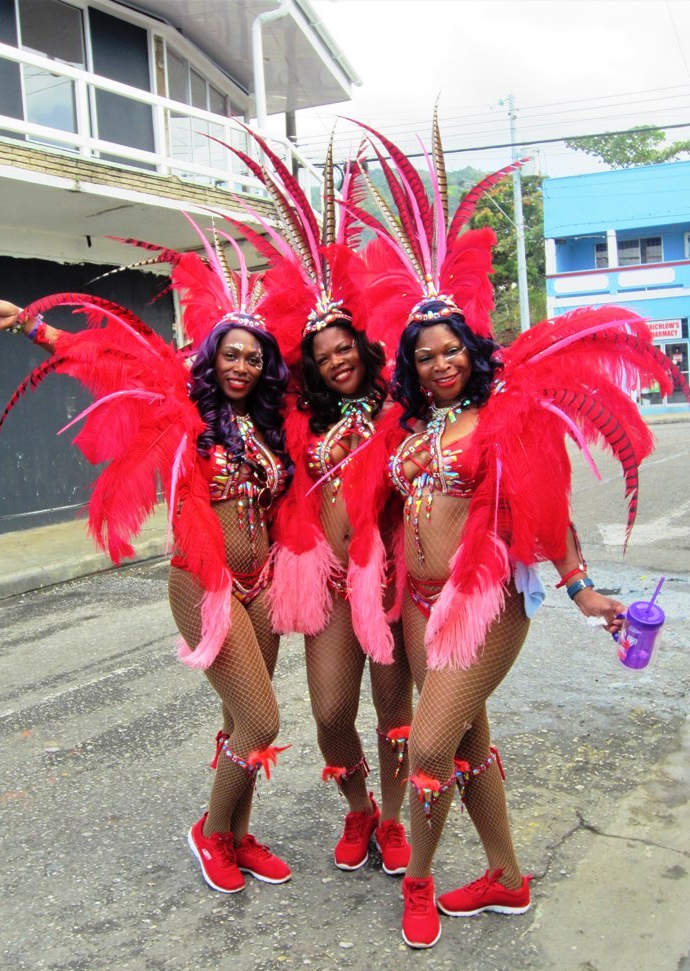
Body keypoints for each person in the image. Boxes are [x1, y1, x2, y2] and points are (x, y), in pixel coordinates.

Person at [348, 114, 690, 948]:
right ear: (411, 364)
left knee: (431, 746)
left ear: (470, 348)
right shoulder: (402, 429)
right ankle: (507, 878)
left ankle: (424, 882)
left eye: (449, 350)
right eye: (423, 355)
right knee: (466, 740)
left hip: (488, 601)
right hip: (418, 604)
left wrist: (581, 590)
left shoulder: (508, 419)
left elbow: (548, 515)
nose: (439, 363)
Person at [0, 235, 296, 896]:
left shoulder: (271, 424)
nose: (241, 366)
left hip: (265, 586)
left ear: (266, 368)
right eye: (231, 353)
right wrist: (31, 324)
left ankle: (238, 834)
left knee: (243, 718)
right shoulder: (181, 407)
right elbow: (104, 359)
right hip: (203, 581)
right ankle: (210, 832)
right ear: (213, 357)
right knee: (263, 721)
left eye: (253, 358)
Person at [218, 126, 414, 873]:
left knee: (395, 713)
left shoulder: (401, 407)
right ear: (309, 363)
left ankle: (394, 821)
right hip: (322, 582)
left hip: (386, 576)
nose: (334, 360)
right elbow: (191, 392)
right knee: (333, 711)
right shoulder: (292, 419)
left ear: (362, 349)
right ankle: (359, 811)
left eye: (344, 349)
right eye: (321, 354)